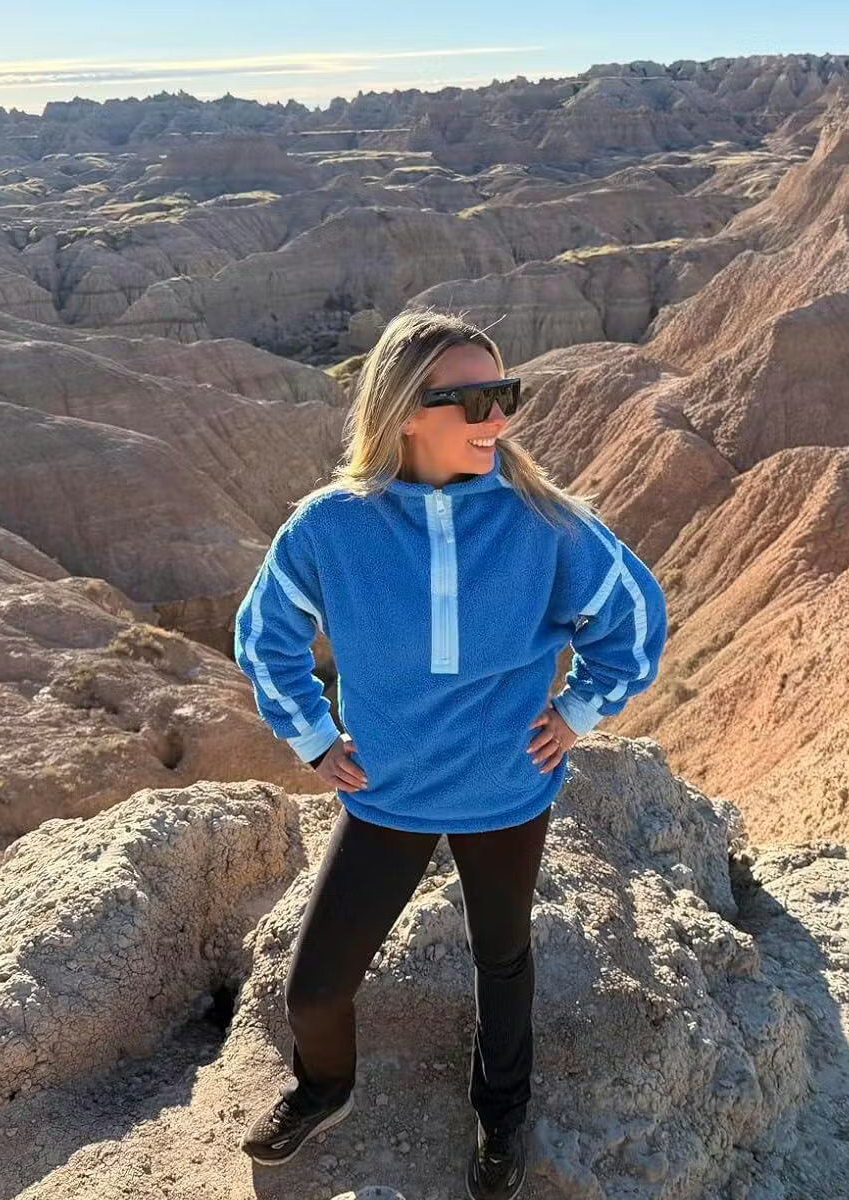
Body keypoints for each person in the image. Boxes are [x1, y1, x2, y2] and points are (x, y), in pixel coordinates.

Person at [232, 307, 667, 1199]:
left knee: (502, 961)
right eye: (470, 400)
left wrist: (578, 710)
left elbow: (632, 619)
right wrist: (313, 739)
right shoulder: (332, 527)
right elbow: (264, 636)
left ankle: (501, 1114)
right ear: (402, 411)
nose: (495, 418)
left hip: (504, 789)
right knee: (315, 990)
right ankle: (325, 1088)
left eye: (504, 395)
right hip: (386, 793)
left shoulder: (546, 523)